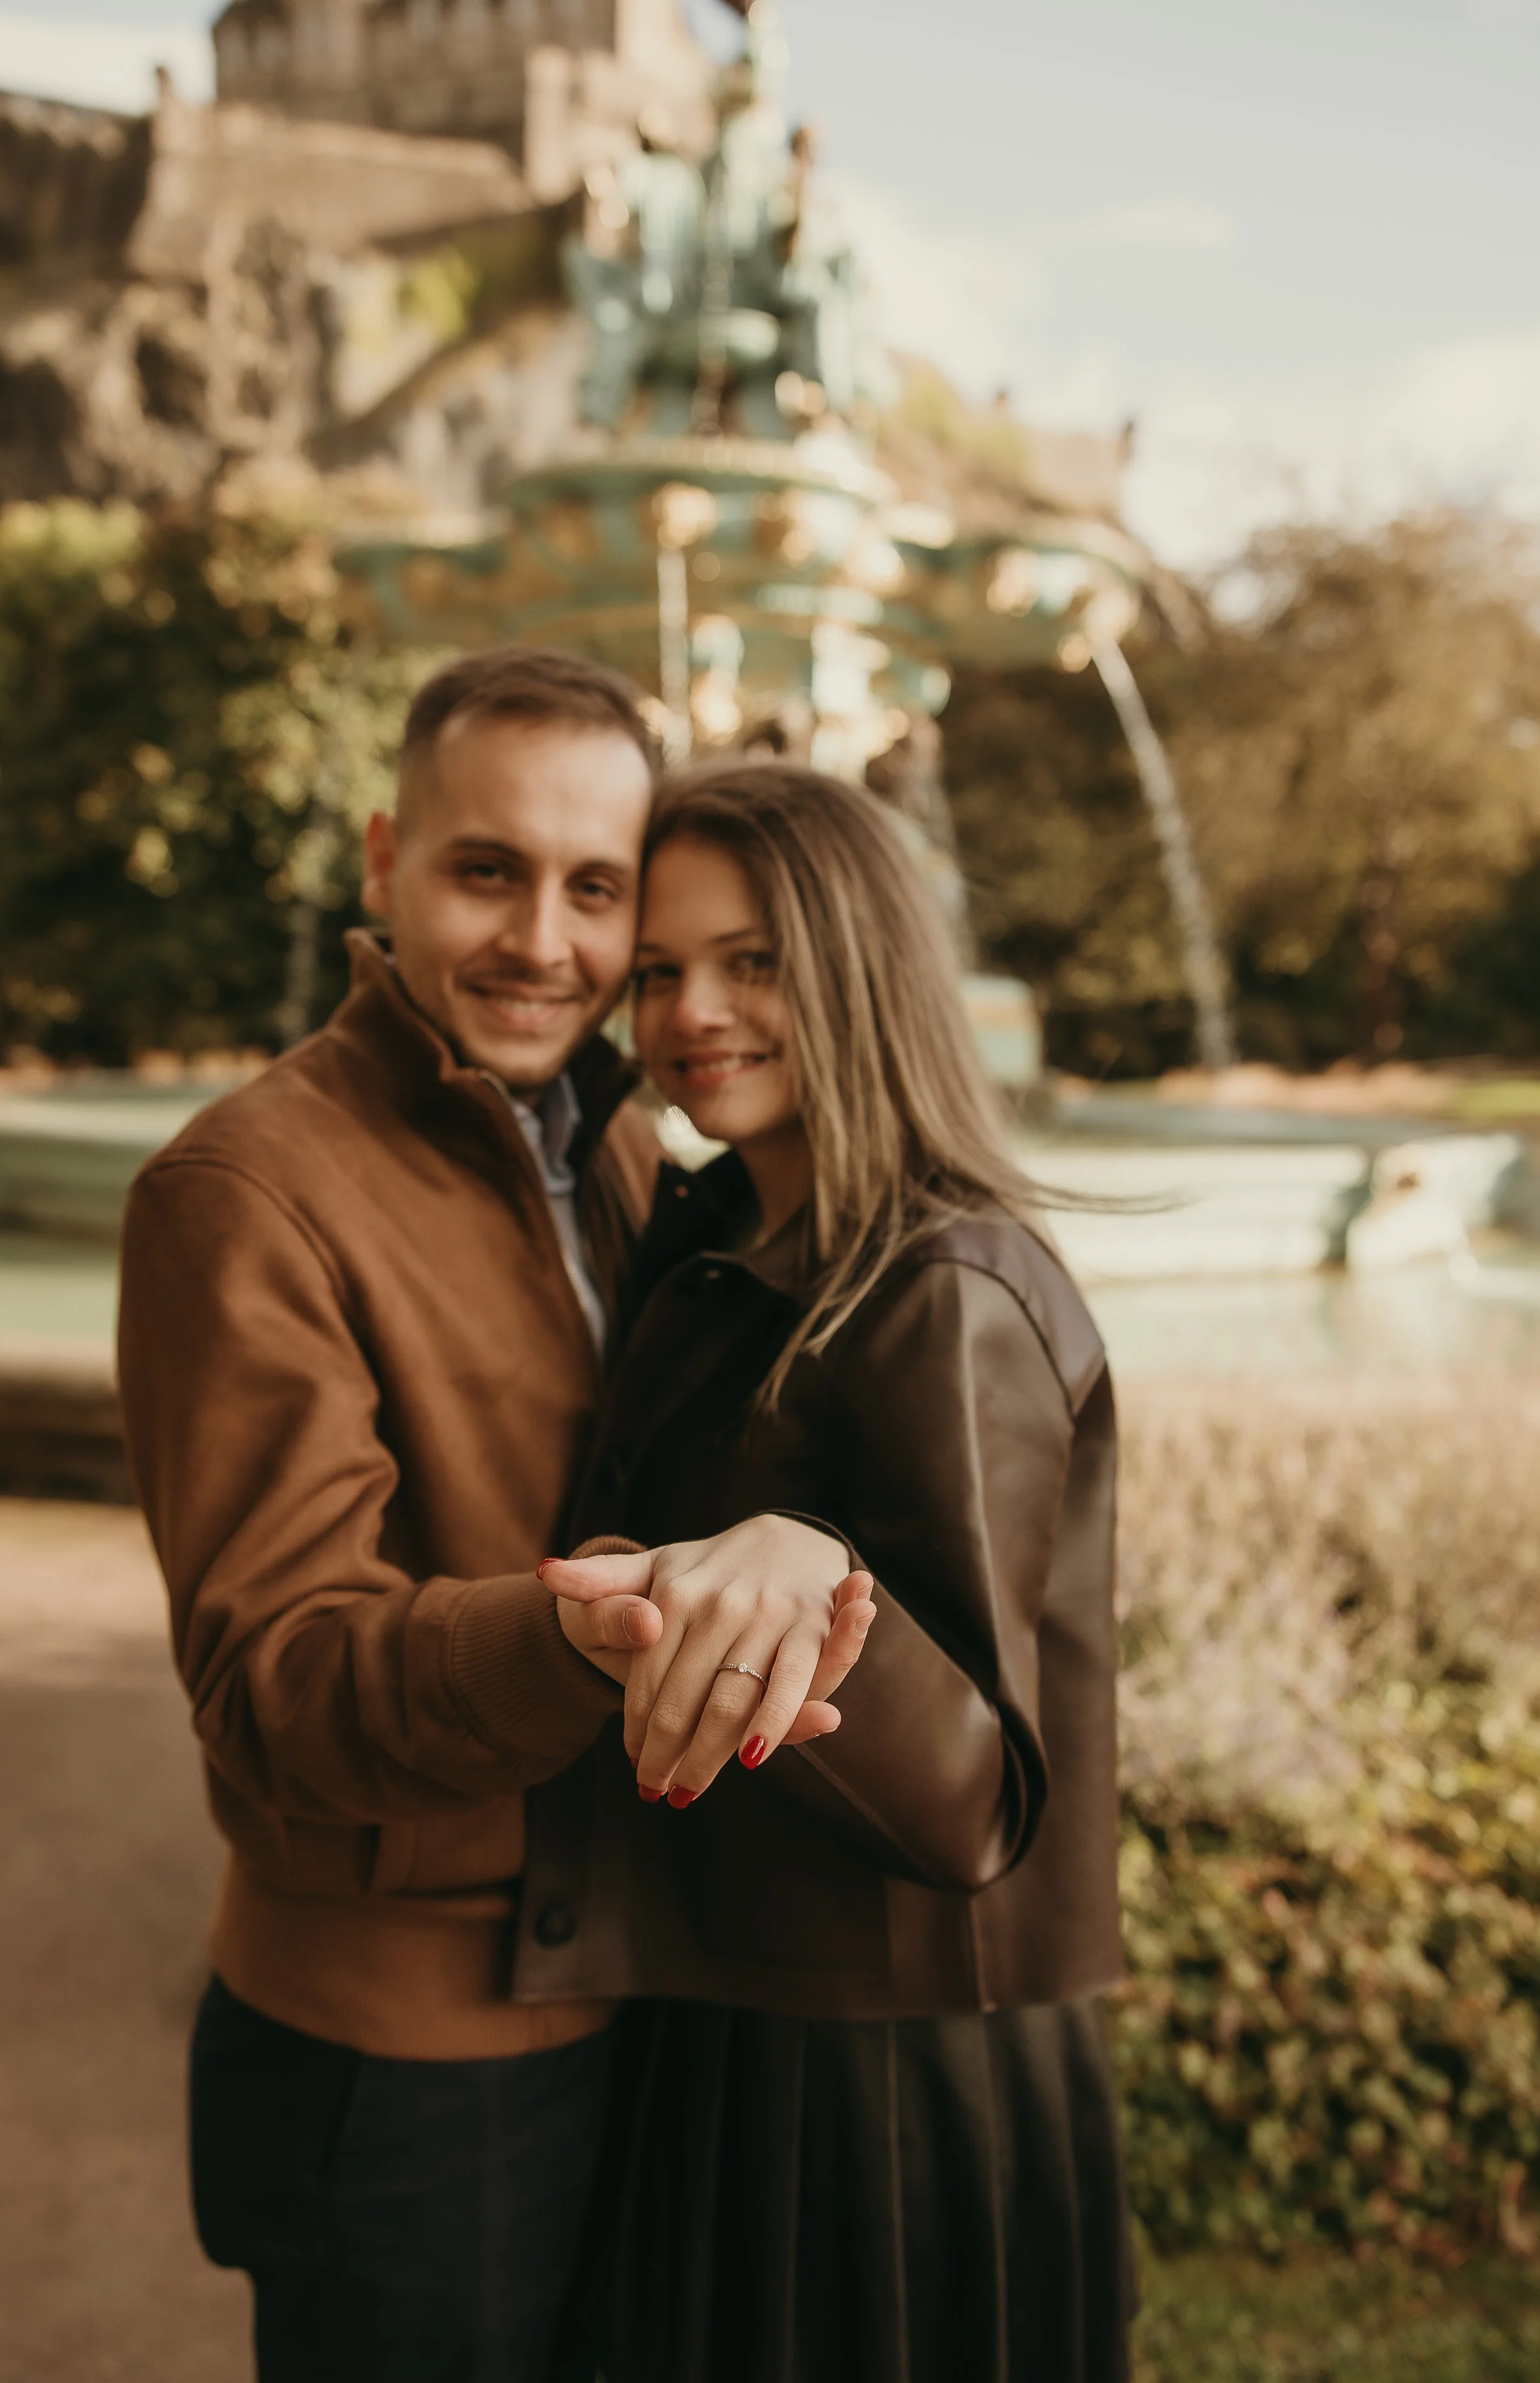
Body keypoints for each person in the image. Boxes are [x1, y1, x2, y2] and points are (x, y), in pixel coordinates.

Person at [116, 651, 871, 2383]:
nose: (546, 939)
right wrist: (572, 1628)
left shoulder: (610, 1142)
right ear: (385, 857)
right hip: (401, 2068)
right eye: (486, 869)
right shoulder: (239, 1192)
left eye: (594, 887)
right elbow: (278, 1677)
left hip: (620, 1988)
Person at [545, 761, 1133, 2383]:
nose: (689, 1013)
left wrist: (814, 1582)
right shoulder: (719, 1235)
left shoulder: (946, 1288)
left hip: (886, 2089)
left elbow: (974, 1803)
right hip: (727, 2008)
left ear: (859, 965)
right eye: (658, 971)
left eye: (753, 962)